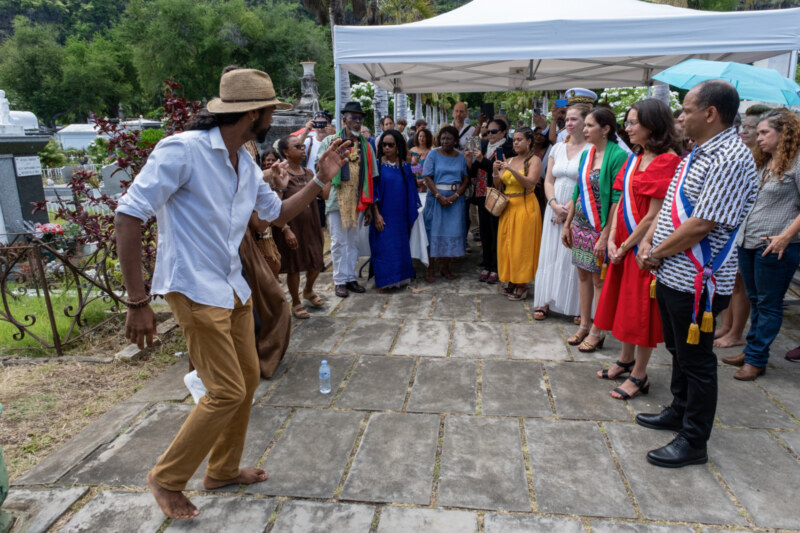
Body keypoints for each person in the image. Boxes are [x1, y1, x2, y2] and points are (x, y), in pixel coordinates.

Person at [115, 67, 351, 519]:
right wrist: (136, 300)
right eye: (270, 112)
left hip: (232, 287)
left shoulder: (243, 163)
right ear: (256, 113)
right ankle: (165, 478)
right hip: (192, 288)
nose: (273, 120)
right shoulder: (182, 152)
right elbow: (128, 216)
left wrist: (321, 180)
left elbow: (275, 216)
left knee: (244, 384)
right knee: (224, 390)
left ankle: (220, 470)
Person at [635, 80, 757, 468]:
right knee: (679, 351)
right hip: (674, 272)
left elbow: (702, 224)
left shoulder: (730, 159)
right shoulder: (699, 152)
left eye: (686, 110)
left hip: (699, 280)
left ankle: (694, 439)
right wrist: (650, 241)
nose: (680, 117)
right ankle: (679, 408)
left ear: (711, 113)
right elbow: (672, 205)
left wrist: (655, 251)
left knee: (698, 361)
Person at [593, 99, 682, 399]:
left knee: (641, 310)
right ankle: (625, 359)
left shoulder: (667, 160)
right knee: (624, 305)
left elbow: (654, 214)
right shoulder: (636, 156)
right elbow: (619, 202)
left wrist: (626, 245)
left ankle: (640, 375)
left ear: (653, 125)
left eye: (633, 123)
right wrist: (613, 238)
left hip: (643, 248)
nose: (626, 128)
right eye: (627, 122)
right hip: (623, 243)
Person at [720, 108, 800, 380]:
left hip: (776, 244)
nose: (759, 136)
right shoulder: (764, 162)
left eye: (766, 132)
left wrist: (786, 236)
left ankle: (756, 359)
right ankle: (753, 349)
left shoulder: (797, 163)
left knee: (768, 303)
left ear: (784, 134)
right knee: (756, 300)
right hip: (750, 241)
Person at [561, 107, 628, 352]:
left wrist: (606, 234)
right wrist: (567, 224)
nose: (585, 129)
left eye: (590, 125)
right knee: (582, 276)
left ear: (606, 129)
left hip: (600, 227)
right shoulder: (588, 154)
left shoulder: (618, 155)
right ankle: (584, 323)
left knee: (598, 280)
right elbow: (577, 190)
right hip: (579, 224)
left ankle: (597, 330)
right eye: (585, 125)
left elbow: (616, 200)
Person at [713, 104, 771, 348]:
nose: (747, 132)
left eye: (755, 129)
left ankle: (736, 331)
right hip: (735, 229)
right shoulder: (743, 154)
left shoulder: (761, 158)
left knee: (744, 286)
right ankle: (727, 326)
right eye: (745, 127)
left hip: (755, 232)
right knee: (730, 281)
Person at [533, 104, 589, 321]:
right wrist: (554, 204)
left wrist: (569, 211)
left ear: (585, 122)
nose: (569, 123)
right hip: (554, 208)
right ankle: (545, 300)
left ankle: (577, 306)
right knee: (551, 253)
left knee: (571, 256)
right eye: (567, 119)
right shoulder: (556, 148)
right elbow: (548, 180)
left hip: (578, 210)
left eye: (574, 119)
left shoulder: (591, 150)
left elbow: (587, 183)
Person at [317, 101, 378, 298]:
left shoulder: (366, 146)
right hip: (337, 199)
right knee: (338, 242)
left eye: (360, 118)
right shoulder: (330, 142)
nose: (357, 122)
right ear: (344, 120)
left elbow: (371, 177)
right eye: (353, 118)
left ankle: (350, 277)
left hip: (358, 200)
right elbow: (321, 169)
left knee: (353, 242)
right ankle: (339, 281)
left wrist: (370, 207)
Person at [272, 135, 326, 319]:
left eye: (303, 146)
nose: (302, 149)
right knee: (294, 266)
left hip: (311, 225)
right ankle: (295, 301)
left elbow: (324, 195)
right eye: (297, 146)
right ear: (285, 152)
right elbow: (275, 205)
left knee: (316, 261)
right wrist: (285, 229)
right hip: (292, 228)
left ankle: (308, 290)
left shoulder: (309, 173)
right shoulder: (280, 174)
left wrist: (324, 172)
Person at [493, 127, 543, 300]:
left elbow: (530, 184)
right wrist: (495, 170)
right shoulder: (510, 159)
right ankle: (511, 280)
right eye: (514, 140)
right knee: (507, 244)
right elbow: (499, 184)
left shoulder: (534, 161)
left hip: (525, 205)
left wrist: (511, 169)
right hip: (507, 206)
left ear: (529, 141)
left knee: (522, 246)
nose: (516, 143)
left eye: (520, 139)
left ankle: (522, 283)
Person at [370, 129, 420, 291]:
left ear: (398, 146)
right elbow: (373, 192)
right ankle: (384, 281)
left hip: (400, 216)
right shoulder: (377, 165)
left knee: (399, 247)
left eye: (390, 145)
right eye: (384, 144)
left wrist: (410, 214)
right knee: (383, 247)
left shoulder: (406, 167)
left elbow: (413, 188)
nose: (386, 148)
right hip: (383, 214)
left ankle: (400, 279)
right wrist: (376, 214)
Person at [467, 118, 514, 284]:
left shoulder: (508, 148)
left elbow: (500, 170)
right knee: (485, 232)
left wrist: (481, 160)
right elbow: (475, 171)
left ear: (503, 132)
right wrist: (470, 160)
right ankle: (487, 265)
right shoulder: (484, 146)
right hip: (481, 193)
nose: (490, 135)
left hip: (496, 194)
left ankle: (496, 267)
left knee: (496, 232)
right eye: (488, 132)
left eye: (494, 132)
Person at [422, 125, 470, 281]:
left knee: (452, 233)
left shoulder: (461, 156)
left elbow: (466, 179)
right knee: (432, 233)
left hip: (455, 201)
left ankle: (445, 267)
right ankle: (430, 269)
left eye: (449, 138)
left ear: (455, 140)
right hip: (436, 200)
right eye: (442, 138)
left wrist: (455, 196)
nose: (445, 141)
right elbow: (427, 177)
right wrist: (439, 196)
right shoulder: (433, 154)